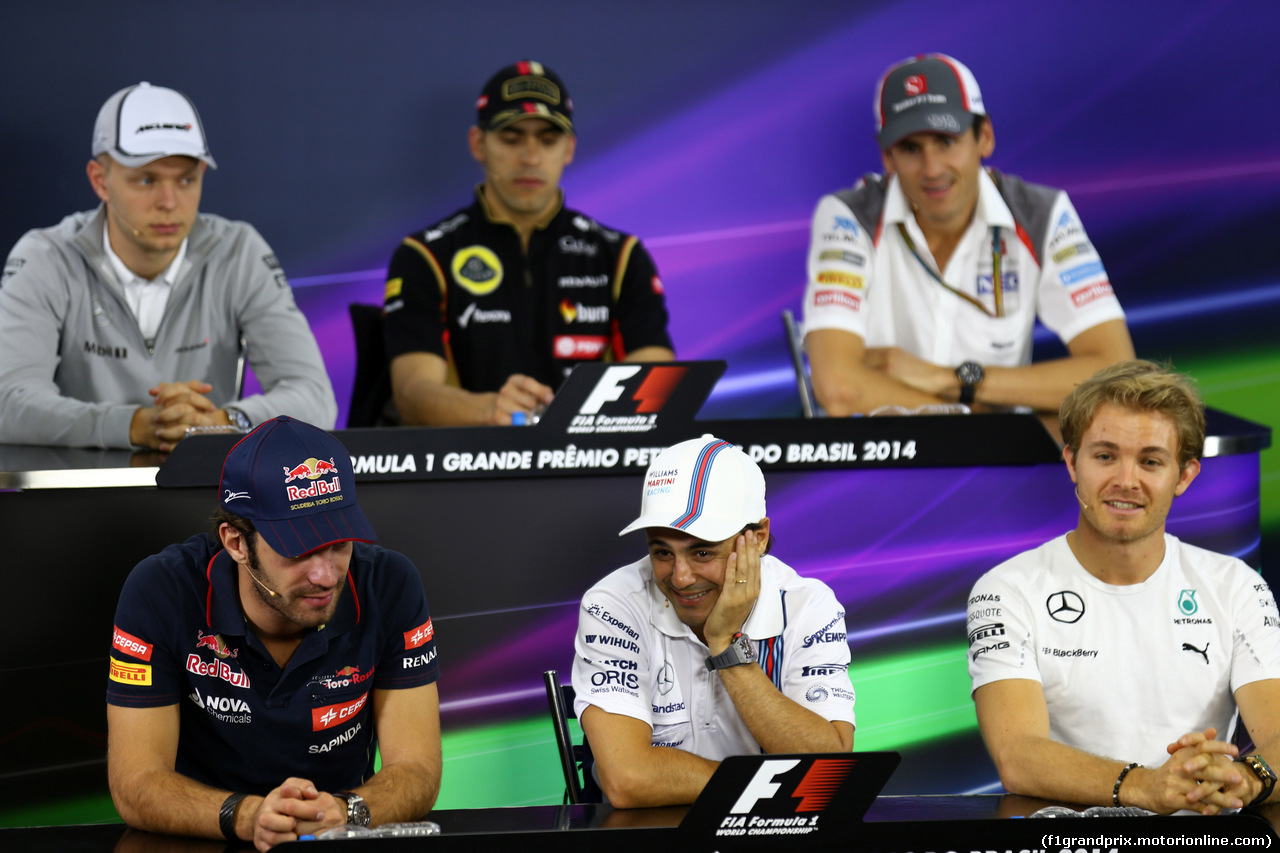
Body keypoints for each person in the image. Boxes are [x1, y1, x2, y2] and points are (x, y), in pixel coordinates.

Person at [106, 416, 440, 850]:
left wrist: (344, 811)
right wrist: (249, 816)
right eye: (299, 549)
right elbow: (135, 784)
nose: (325, 575)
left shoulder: (391, 584)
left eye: (340, 543)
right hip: (204, 839)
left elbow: (418, 768)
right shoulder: (161, 589)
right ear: (236, 543)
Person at [967, 360, 1280, 813]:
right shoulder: (1006, 590)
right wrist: (1147, 786)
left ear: (1186, 475)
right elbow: (1018, 757)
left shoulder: (1236, 586)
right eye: (1105, 456)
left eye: (1150, 461)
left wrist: (1247, 778)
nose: (1125, 481)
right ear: (1073, 461)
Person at [0, 82, 337, 451]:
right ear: (101, 181)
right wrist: (133, 425)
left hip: (207, 500)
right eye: (146, 180)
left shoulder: (239, 251)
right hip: (75, 496)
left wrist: (226, 421)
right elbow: (7, 401)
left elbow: (316, 398)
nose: (169, 201)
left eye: (186, 180)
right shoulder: (46, 256)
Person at [802, 53, 1134, 419]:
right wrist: (972, 418)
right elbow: (840, 390)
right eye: (911, 148)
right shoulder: (848, 217)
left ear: (985, 137)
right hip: (883, 465)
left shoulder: (1043, 214)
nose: (931, 169)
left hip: (995, 467)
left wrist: (951, 380)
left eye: (946, 141)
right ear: (887, 157)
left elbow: (1114, 374)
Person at [382, 60, 674, 426]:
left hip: (590, 472)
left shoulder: (621, 256)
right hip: (465, 472)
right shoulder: (424, 256)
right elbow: (412, 395)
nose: (531, 157)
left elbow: (659, 381)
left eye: (548, 140)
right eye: (511, 137)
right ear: (478, 144)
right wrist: (493, 412)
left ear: (569, 149)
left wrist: (564, 428)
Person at [572, 435, 854, 807]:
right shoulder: (613, 604)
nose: (681, 577)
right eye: (662, 552)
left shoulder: (808, 605)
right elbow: (627, 780)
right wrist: (771, 782)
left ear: (758, 539)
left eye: (702, 551)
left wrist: (725, 644)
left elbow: (830, 766)